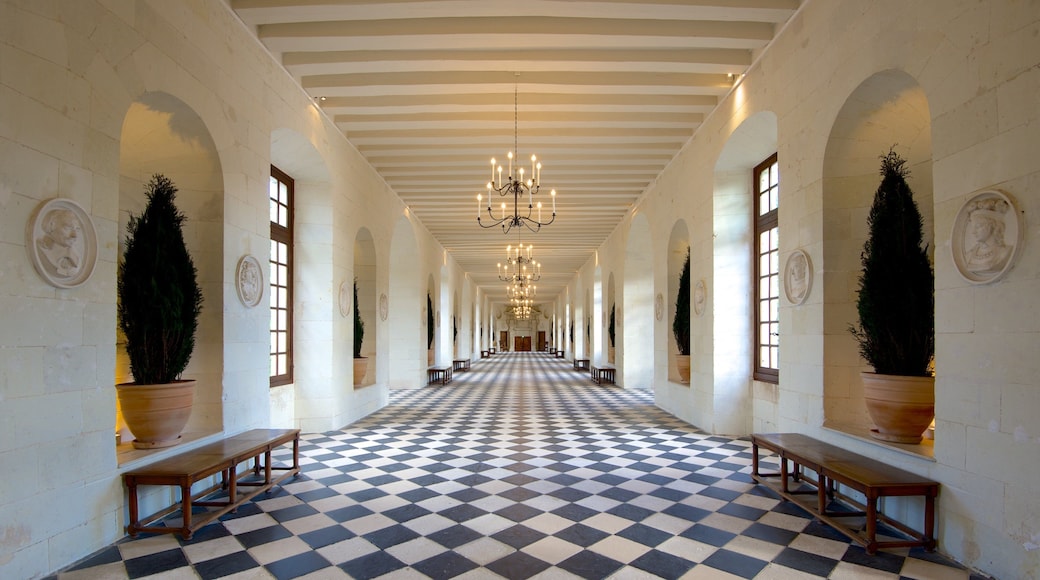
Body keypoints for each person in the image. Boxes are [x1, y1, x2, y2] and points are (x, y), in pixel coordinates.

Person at [964, 199, 1011, 274]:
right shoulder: (969, 255)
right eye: (973, 228)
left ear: (992, 225)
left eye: (978, 226)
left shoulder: (1004, 252)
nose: (973, 232)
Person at [36, 208, 82, 278]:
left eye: (77, 229)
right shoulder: (40, 248)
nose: (74, 235)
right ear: (52, 225)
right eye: (68, 228)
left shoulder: (76, 256)